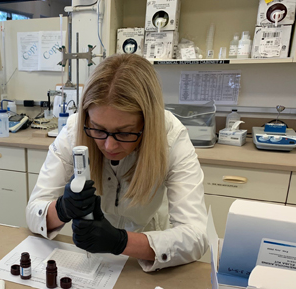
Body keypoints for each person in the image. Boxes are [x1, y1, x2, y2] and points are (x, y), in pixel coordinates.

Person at [26, 53, 208, 272]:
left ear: (147, 123)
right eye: (98, 129)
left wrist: (121, 242)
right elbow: (33, 211)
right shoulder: (75, 131)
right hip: (89, 257)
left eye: (125, 132)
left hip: (148, 253)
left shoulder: (171, 137)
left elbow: (196, 237)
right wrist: (62, 209)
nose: (109, 146)